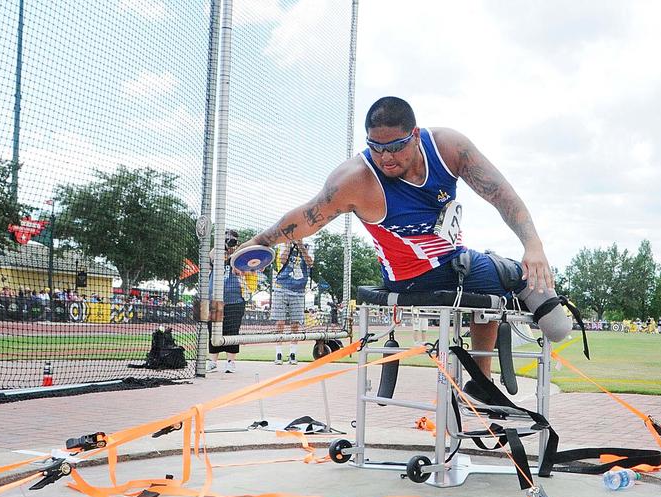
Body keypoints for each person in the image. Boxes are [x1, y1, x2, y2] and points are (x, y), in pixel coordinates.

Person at [239, 96, 556, 398]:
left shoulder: (448, 148)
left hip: (455, 260)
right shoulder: (356, 179)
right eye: (375, 147)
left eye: (395, 146)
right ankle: (485, 379)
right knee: (509, 274)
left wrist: (534, 246)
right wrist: (259, 242)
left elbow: (500, 193)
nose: (386, 157)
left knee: (493, 277)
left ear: (415, 135)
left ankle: (480, 380)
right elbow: (308, 216)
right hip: (410, 274)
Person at [205, 230, 250, 373]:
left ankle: (231, 362)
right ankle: (212, 362)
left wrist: (234, 252)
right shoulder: (215, 254)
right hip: (213, 299)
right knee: (212, 331)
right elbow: (208, 259)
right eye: (227, 239)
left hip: (235, 299)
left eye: (233, 241)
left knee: (232, 331)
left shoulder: (238, 257)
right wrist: (221, 245)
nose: (229, 242)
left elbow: (242, 271)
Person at [269, 240, 313, 365]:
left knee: (295, 323)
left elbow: (310, 263)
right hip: (281, 288)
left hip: (298, 291)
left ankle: (293, 353)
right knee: (280, 322)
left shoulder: (306, 247)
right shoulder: (282, 246)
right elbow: (282, 261)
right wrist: (288, 244)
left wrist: (301, 247)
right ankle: (278, 353)